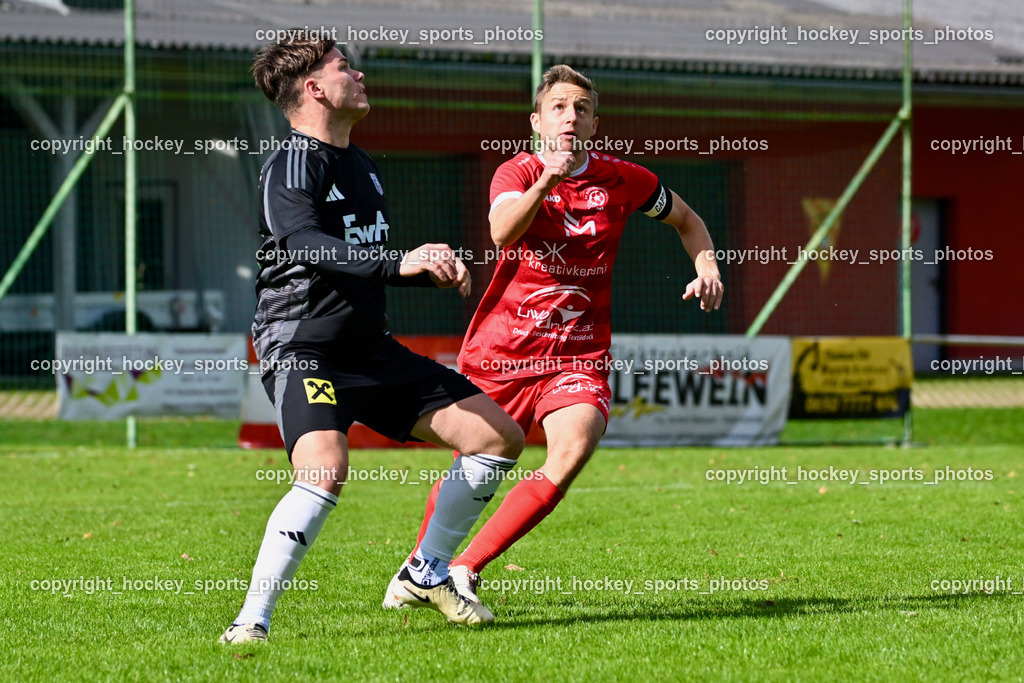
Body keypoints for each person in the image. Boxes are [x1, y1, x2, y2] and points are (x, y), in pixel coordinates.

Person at [221, 31, 524, 643]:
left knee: (498, 436)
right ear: (313, 89)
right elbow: (301, 244)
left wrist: (427, 265)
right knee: (323, 471)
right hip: (304, 346)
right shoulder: (292, 162)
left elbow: (362, 259)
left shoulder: (362, 164)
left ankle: (426, 571)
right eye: (344, 68)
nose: (358, 76)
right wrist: (398, 262)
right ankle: (251, 621)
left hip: (370, 349)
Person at [385, 64, 724, 607]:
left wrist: (706, 265)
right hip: (503, 349)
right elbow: (500, 232)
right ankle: (423, 568)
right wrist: (548, 178)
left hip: (578, 353)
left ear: (595, 123)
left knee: (572, 449)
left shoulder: (625, 179)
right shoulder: (514, 173)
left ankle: (465, 568)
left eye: (582, 109)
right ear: (537, 120)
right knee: (476, 465)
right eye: (559, 108)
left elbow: (688, 219)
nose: (571, 116)